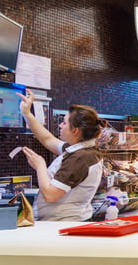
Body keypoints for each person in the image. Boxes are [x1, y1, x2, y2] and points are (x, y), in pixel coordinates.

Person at [18, 90, 106, 221]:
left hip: (65, 224)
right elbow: (48, 139)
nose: (60, 125)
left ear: (75, 131)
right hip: (62, 222)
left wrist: (40, 165)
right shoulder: (81, 149)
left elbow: (50, 195)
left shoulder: (80, 158)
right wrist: (27, 113)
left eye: (64, 123)